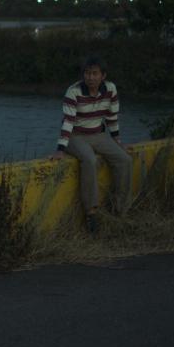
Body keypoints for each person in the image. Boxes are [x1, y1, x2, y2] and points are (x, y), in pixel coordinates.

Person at [49, 56, 132, 231]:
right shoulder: (73, 91)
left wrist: (118, 142)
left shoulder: (110, 89)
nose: (90, 77)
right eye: (87, 73)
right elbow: (68, 121)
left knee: (124, 160)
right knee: (89, 160)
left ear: (103, 76)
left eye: (95, 73)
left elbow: (111, 117)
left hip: (98, 134)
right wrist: (60, 149)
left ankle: (119, 210)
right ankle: (91, 213)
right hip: (75, 136)